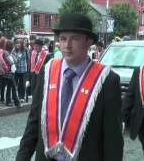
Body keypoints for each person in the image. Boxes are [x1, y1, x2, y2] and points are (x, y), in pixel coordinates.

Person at [16, 13, 124, 161]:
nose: (67, 45)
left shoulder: (107, 80)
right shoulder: (47, 71)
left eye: (75, 39)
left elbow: (113, 138)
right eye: (63, 38)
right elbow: (34, 121)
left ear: (88, 42)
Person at [12, 37, 29, 102]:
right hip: (16, 69)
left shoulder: (25, 50)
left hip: (23, 69)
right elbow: (12, 58)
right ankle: (15, 97)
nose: (17, 44)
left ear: (22, 44)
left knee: (22, 84)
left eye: (19, 43)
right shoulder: (14, 50)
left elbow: (28, 59)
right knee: (15, 83)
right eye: (16, 43)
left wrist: (28, 69)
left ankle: (21, 97)